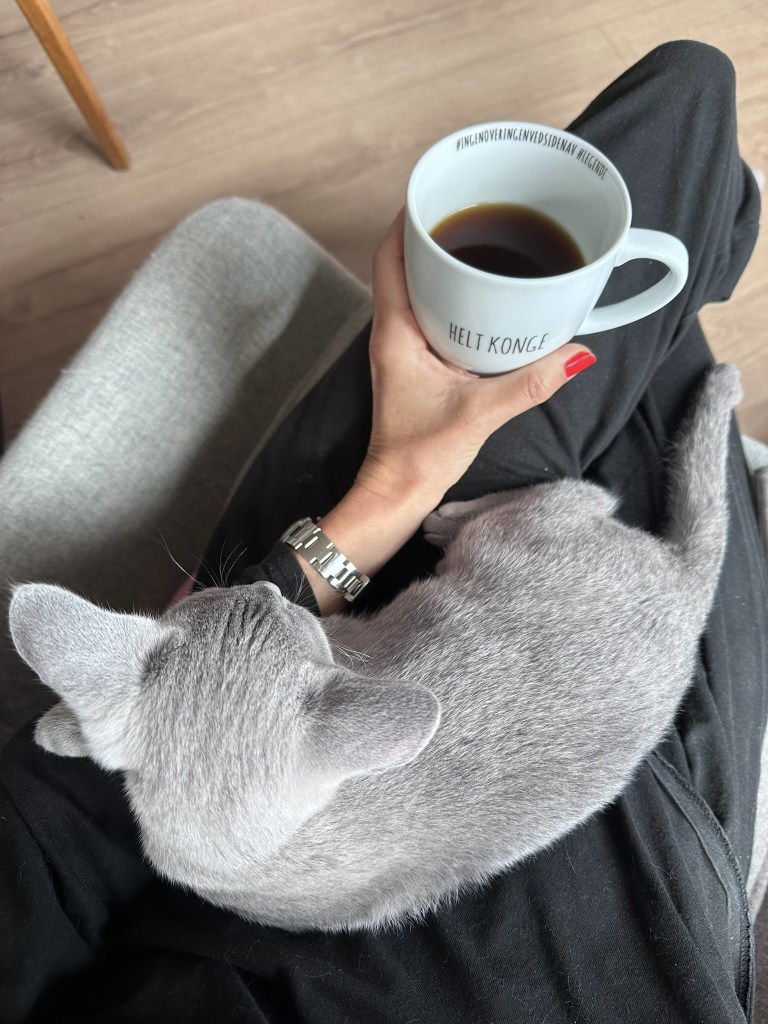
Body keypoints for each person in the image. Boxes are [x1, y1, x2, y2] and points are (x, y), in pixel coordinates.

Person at [0, 38, 765, 1024]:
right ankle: (716, 241)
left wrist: (384, 499)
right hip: (648, 842)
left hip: (309, 710)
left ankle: (712, 242)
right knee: (680, 131)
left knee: (673, 127)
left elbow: (55, 827)